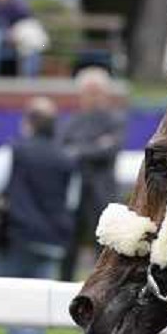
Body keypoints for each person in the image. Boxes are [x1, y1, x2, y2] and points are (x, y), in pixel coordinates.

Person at [0, 97, 80, 334]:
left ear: (28, 123)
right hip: (53, 238)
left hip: (16, 234)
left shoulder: (13, 151)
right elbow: (71, 201)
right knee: (40, 298)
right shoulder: (67, 159)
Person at [58, 67, 126, 281]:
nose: (93, 97)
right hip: (75, 193)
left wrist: (79, 150)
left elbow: (108, 149)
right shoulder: (72, 122)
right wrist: (92, 147)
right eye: (88, 91)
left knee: (104, 249)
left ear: (105, 94)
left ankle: (104, 288)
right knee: (68, 245)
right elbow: (62, 150)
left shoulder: (115, 119)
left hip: (102, 193)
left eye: (97, 91)